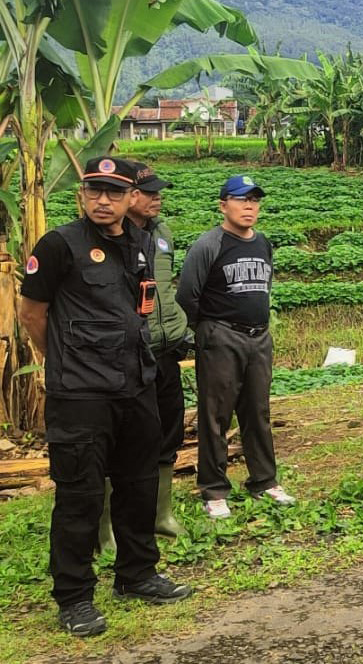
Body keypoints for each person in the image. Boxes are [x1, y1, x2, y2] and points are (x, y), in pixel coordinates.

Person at [18, 156, 194, 636]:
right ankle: (74, 597)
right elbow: (32, 311)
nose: (103, 200)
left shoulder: (139, 242)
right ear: (82, 195)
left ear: (127, 199)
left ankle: (136, 575)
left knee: (138, 485)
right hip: (81, 394)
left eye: (113, 192)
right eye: (94, 190)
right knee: (81, 496)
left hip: (135, 384)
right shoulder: (59, 245)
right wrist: (62, 360)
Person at [178, 174, 293, 519]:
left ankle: (264, 481)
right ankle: (214, 489)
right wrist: (208, 330)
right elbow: (187, 295)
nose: (249, 206)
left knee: (257, 411)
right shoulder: (209, 244)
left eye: (254, 200)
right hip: (221, 335)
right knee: (215, 414)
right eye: (242, 199)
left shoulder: (262, 243)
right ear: (223, 204)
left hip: (258, 336)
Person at [109, 163, 187, 542]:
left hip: (164, 349)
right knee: (119, 438)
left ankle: (161, 515)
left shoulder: (162, 234)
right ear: (129, 195)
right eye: (149, 191)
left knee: (168, 432)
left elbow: (167, 288)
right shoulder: (108, 237)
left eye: (159, 191)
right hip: (124, 357)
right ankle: (107, 525)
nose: (157, 198)